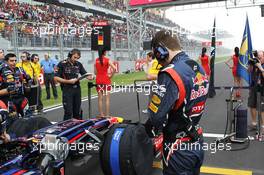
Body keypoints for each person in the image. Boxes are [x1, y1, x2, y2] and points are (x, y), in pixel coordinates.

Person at [148, 30, 208, 175]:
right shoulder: (197, 66)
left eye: (157, 56)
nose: (157, 61)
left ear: (161, 51)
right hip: (197, 140)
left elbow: (156, 117)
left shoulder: (170, 73)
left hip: (178, 148)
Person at [55, 49, 90, 121]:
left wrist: (90, 77)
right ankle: (65, 129)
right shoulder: (62, 64)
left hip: (77, 89)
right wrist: (68, 81)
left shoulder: (78, 64)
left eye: (77, 58)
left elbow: (85, 74)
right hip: (67, 89)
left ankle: (77, 128)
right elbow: (56, 77)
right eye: (75, 57)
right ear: (70, 55)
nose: (76, 59)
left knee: (77, 111)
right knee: (68, 112)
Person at [0, 53, 31, 120]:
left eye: (15, 60)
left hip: (21, 98)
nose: (14, 62)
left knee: (29, 119)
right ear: (6, 61)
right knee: (14, 122)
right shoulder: (1, 71)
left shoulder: (20, 69)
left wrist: (28, 82)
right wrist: (7, 90)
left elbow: (27, 86)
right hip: (10, 101)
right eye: (11, 61)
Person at [94, 48, 116, 118]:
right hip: (106, 80)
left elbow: (95, 72)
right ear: (105, 52)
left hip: (98, 80)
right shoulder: (107, 60)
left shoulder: (96, 60)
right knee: (107, 98)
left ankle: (101, 114)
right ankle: (107, 115)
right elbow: (115, 68)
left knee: (100, 99)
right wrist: (111, 76)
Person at [248, 50, 264, 133]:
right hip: (254, 87)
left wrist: (260, 67)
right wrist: (251, 65)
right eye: (258, 57)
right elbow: (249, 71)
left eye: (260, 58)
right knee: (252, 105)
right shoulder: (255, 64)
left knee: (261, 108)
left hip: (262, 89)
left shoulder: (261, 65)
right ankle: (254, 124)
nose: (258, 59)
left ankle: (263, 127)